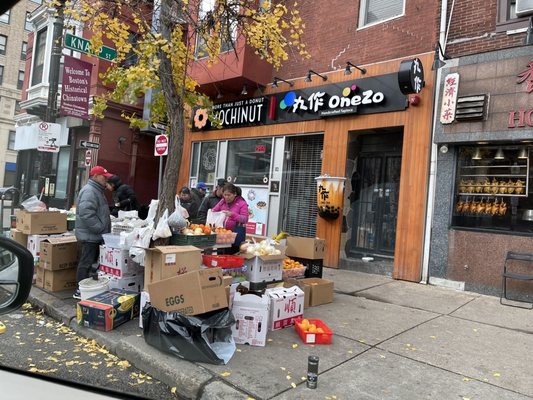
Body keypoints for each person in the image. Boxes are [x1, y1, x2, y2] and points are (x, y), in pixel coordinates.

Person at [73, 166, 113, 299]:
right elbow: (86, 213)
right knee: (86, 263)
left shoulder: (97, 190)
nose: (106, 179)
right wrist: (100, 227)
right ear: (95, 176)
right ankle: (80, 290)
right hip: (90, 236)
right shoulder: (90, 191)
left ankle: (87, 289)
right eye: (104, 176)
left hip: (94, 235)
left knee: (90, 264)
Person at [212, 183, 249, 253]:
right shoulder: (222, 201)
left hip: (236, 235)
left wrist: (232, 215)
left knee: (232, 255)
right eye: (225, 195)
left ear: (234, 194)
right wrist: (212, 212)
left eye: (229, 195)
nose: (226, 197)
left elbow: (245, 219)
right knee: (220, 256)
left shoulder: (242, 203)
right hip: (222, 235)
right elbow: (214, 210)